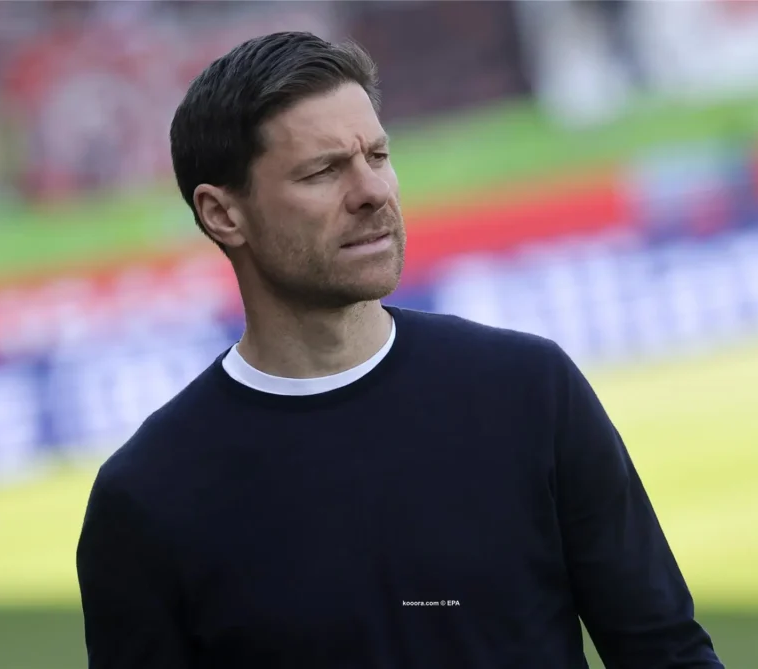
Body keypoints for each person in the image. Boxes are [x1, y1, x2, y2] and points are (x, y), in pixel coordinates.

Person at [75, 31, 723, 669]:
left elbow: (666, 652)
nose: (373, 192)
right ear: (223, 214)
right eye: (323, 170)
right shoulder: (148, 498)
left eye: (378, 156)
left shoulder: (530, 391)